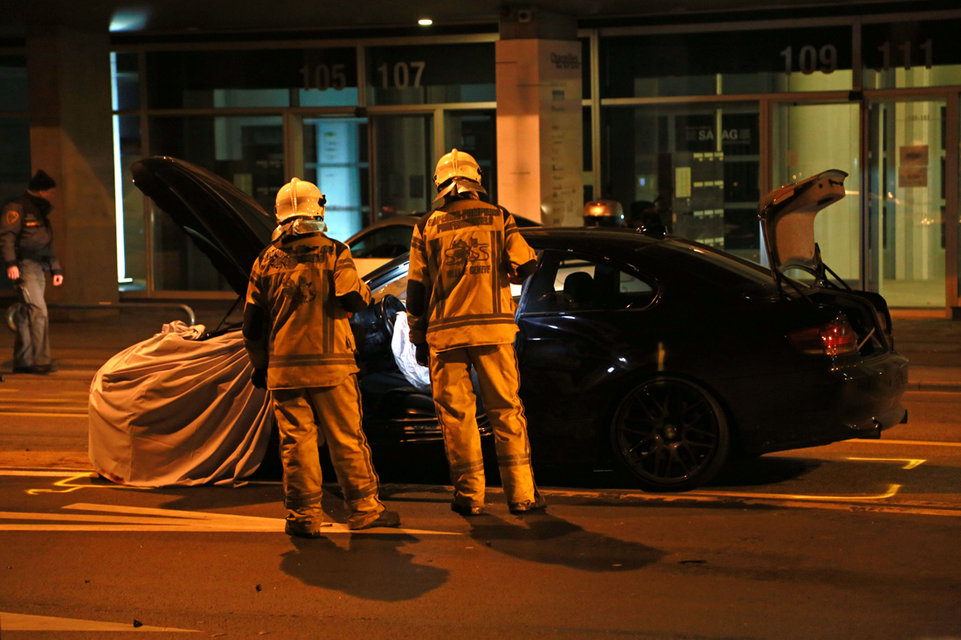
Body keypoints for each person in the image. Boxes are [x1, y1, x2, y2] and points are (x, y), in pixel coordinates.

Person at [243, 177, 400, 536]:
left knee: (296, 443)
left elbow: (252, 325)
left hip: (284, 369)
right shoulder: (334, 252)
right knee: (346, 438)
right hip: (332, 367)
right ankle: (363, 510)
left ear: (279, 214)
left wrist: (260, 365)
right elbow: (352, 299)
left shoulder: (265, 260)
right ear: (318, 209)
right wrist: (365, 292)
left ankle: (303, 516)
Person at [406, 148, 544, 517]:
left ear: (439, 184)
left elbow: (416, 290)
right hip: (493, 332)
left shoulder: (426, 225)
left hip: (446, 335)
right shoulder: (499, 217)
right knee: (506, 412)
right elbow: (527, 263)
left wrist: (417, 338)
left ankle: (469, 496)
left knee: (457, 418)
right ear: (476, 179)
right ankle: (522, 495)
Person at [1, 169, 64, 374]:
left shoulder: (39, 210)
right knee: (38, 311)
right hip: (25, 266)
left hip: (38, 267)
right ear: (42, 191)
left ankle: (24, 360)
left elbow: (47, 243)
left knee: (26, 313)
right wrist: (11, 264)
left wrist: (55, 268)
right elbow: (7, 237)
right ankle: (40, 360)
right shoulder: (18, 208)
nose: (52, 195)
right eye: (50, 192)